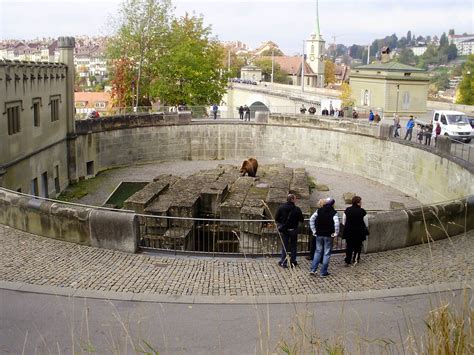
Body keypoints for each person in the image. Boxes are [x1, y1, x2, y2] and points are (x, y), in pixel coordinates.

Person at [309, 198, 340, 277]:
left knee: (317, 252)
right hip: (328, 235)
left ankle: (313, 269)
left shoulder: (319, 210)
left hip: (319, 234)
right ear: (333, 204)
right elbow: (336, 223)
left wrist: (314, 230)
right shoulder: (334, 212)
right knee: (326, 254)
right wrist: (336, 233)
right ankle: (323, 272)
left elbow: (312, 219)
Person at [276, 194, 304, 268]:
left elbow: (276, 218)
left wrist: (282, 222)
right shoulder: (297, 209)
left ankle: (283, 262)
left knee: (284, 246)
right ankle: (293, 262)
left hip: (285, 230)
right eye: (295, 198)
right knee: (293, 246)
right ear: (292, 200)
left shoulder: (281, 207)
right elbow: (302, 219)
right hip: (293, 230)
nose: (296, 200)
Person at [342, 196, 368, 266]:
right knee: (358, 246)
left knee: (349, 246)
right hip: (358, 232)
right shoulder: (362, 211)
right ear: (358, 203)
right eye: (360, 202)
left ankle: (348, 260)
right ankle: (355, 259)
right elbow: (365, 222)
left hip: (349, 231)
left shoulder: (347, 210)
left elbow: (344, 221)